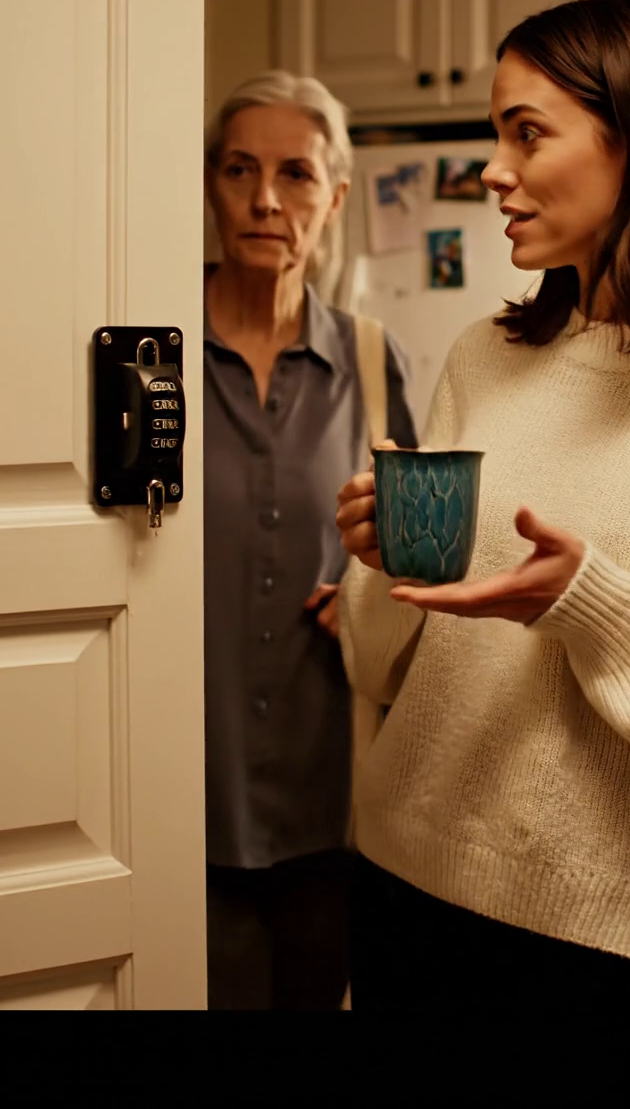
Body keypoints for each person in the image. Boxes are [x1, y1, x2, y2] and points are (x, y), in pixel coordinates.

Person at [336, 0, 630, 1014]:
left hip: (591, 936)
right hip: (398, 875)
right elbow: (378, 663)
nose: (491, 169)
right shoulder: (484, 355)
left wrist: (587, 600)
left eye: (525, 132)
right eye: (491, 133)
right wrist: (379, 563)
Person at [202, 70, 416, 1010]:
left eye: (294, 175)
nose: (263, 200)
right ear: (208, 183)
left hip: (332, 805)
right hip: (174, 796)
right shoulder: (142, 355)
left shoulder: (374, 362)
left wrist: (371, 590)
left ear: (334, 199)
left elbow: (422, 562)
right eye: (240, 170)